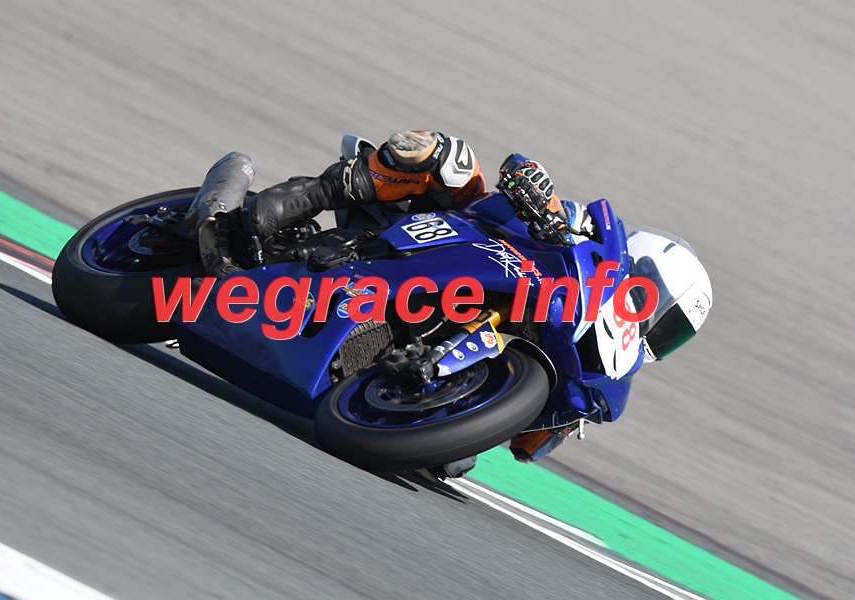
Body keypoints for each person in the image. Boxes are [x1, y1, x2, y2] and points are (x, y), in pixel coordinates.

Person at [184, 130, 591, 481]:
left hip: (404, 368)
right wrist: (541, 203)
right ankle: (245, 222)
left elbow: (524, 446)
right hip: (430, 235)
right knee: (451, 161)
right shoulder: (565, 232)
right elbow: (520, 169)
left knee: (451, 464)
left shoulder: (568, 368)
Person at [184, 130, 574, 278]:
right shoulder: (573, 236)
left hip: (452, 284)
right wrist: (552, 217)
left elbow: (528, 435)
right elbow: (524, 171)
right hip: (434, 224)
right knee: (449, 161)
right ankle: (232, 226)